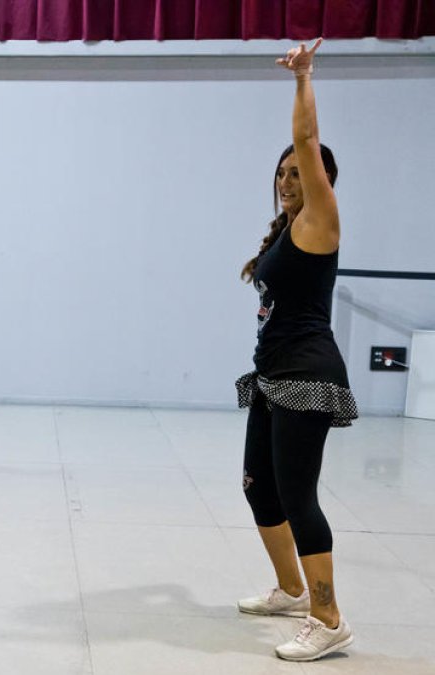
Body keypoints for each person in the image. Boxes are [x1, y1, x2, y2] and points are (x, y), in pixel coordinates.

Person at [235, 38, 357, 663]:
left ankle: (328, 615)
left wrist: (303, 79)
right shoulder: (287, 231)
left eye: (299, 172)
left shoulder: (321, 219)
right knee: (260, 487)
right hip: (272, 374)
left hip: (307, 374)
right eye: (280, 172)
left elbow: (308, 142)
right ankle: (290, 587)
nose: (288, 179)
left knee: (299, 496)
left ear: (321, 181)